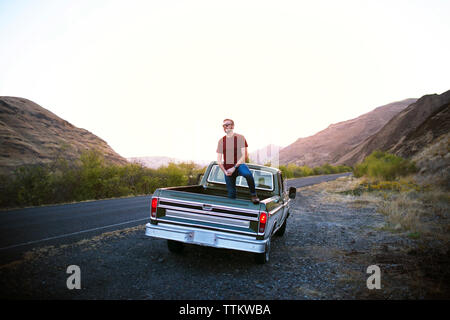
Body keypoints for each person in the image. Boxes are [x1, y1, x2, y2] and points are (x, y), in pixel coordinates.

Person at [216, 119, 260, 204]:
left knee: (248, 174)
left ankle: (254, 195)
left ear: (232, 126)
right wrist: (225, 171)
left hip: (239, 165)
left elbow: (244, 155)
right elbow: (218, 160)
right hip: (228, 168)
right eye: (223, 125)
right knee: (231, 194)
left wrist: (234, 167)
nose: (225, 127)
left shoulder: (240, 137)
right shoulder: (221, 141)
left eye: (227, 124)